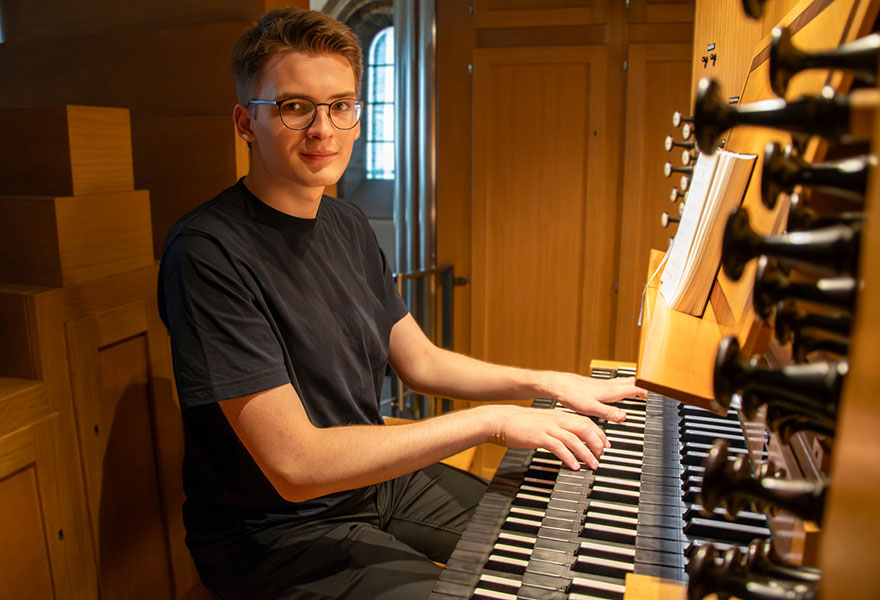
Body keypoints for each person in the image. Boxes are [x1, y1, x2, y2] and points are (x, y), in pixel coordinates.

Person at [158, 7, 646, 600]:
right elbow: (296, 466)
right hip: (274, 531)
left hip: (375, 486)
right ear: (245, 121)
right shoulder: (207, 253)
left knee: (556, 532)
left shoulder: (347, 223)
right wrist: (490, 421)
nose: (323, 129)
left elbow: (419, 359)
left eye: (340, 105)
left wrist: (544, 382)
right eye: (294, 107)